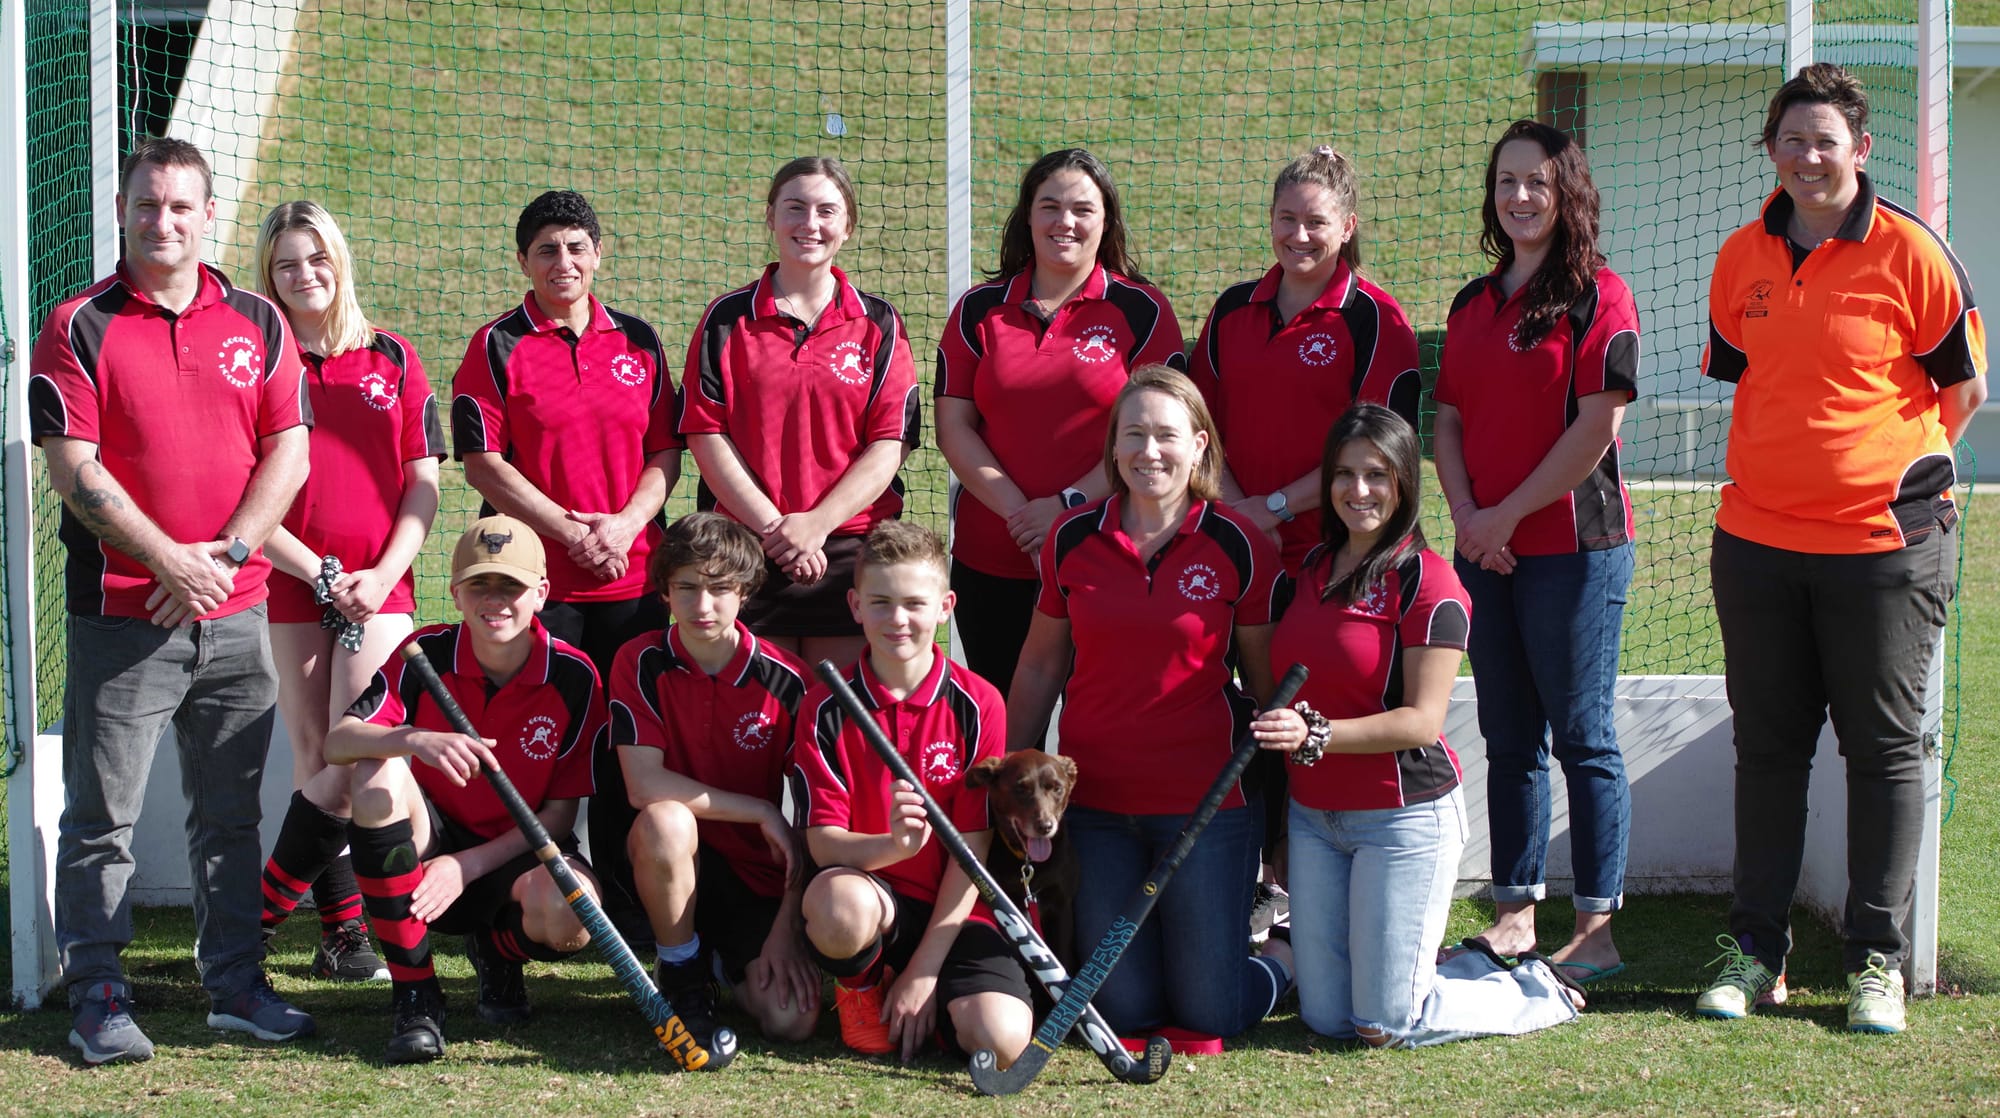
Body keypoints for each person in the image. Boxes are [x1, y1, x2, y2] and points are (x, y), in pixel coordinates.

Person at [1696, 63, 1987, 1035]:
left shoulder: (1911, 252)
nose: (1807, 157)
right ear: (1770, 150)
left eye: (1824, 140)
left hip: (1883, 550)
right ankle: (1754, 952)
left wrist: (1891, 478)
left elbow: (1962, 390)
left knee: (1883, 750)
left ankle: (1875, 960)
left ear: (1859, 149)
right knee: (1768, 750)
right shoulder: (1740, 254)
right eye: (1791, 139)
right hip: (1755, 545)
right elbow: (1748, 376)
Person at [30, 137, 316, 1065]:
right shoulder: (77, 325)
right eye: (148, 205)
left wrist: (222, 559)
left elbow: (289, 451)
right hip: (124, 617)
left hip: (236, 613)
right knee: (100, 820)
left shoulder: (259, 322)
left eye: (182, 206)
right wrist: (167, 563)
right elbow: (75, 469)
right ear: (121, 210)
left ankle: (235, 984)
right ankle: (98, 994)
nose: (164, 221)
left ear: (208, 214)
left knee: (230, 816)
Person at [1255, 403, 1582, 1047]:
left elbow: (1422, 722)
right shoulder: (1313, 568)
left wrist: (1315, 735)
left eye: (1376, 474)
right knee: (1327, 1019)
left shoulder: (1430, 581)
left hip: (1403, 819)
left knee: (1382, 1023)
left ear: (1405, 480)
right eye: (1344, 474)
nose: (1358, 490)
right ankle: (1460, 966)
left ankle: (1534, 989)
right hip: (1315, 818)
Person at [1007, 365, 1292, 1039]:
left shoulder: (1240, 544)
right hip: (1097, 810)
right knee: (1122, 1012)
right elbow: (1040, 664)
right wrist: (1007, 781)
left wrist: (1281, 824)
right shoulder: (1071, 538)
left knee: (1209, 1013)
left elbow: (1266, 690)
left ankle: (1283, 957)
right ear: (1112, 446)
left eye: (1167, 434)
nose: (1149, 451)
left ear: (1199, 445)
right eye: (1133, 434)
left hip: (1207, 810)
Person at [1432, 119, 1640, 985]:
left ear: (1568, 193)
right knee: (1508, 735)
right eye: (1506, 181)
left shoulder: (1602, 294)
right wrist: (1470, 520)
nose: (1520, 196)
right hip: (1486, 551)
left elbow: (1597, 428)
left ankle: (1596, 931)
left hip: (1572, 551)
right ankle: (1514, 918)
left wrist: (1505, 518)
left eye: (1537, 183)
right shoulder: (1471, 304)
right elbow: (1447, 420)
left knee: (1582, 737)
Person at [452, 188, 681, 951]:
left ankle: (622, 900)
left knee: (625, 750)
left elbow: (666, 452)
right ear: (524, 261)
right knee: (541, 751)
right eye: (546, 249)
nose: (563, 261)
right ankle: (518, 903)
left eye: (576, 247)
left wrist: (625, 524)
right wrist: (568, 530)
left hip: (635, 581)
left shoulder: (640, 341)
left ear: (598, 254)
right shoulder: (497, 345)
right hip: (537, 590)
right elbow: (482, 461)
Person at [327, 516, 607, 1064]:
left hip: (519, 852)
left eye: (511, 586)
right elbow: (339, 742)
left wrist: (467, 866)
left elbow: (558, 816)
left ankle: (498, 953)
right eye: (480, 584)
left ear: (541, 594)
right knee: (373, 773)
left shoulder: (575, 675)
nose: (494, 600)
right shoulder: (423, 652)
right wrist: (413, 739)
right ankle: (416, 994)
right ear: (456, 593)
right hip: (430, 845)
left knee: (573, 912)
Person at [249, 200, 444, 983]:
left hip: (379, 591)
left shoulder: (392, 356)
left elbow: (423, 482)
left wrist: (383, 575)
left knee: (355, 758)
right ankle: (341, 935)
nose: (304, 275)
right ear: (269, 276)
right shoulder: (260, 360)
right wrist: (320, 574)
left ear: (339, 260)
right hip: (293, 583)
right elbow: (247, 497)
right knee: (312, 762)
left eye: (316, 258)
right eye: (286, 264)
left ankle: (252, 924)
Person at [935, 148, 1185, 696]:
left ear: (1106, 221)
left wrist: (1067, 508)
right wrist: (1023, 516)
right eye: (1049, 206)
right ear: (1027, 215)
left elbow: (1161, 437)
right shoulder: (980, 308)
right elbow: (953, 427)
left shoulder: (1142, 310)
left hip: (1109, 554)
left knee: (1099, 724)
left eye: (1082, 209)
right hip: (992, 559)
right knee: (1003, 729)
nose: (1064, 221)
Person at [791, 522, 1028, 1064]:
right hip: (873, 900)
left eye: (915, 604)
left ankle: (926, 1001)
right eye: (881, 602)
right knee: (837, 905)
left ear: (945, 607)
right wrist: (893, 847)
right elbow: (823, 846)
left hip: (958, 908)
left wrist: (925, 969)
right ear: (855, 606)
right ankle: (862, 987)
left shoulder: (979, 702)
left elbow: (972, 851)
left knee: (1002, 1041)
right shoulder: (825, 705)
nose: (898, 619)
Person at [680, 156, 921, 669]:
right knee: (758, 707)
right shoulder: (726, 318)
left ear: (847, 226)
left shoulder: (878, 322)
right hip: (746, 545)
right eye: (795, 208)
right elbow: (705, 432)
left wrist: (816, 525)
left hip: (850, 548)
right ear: (771, 217)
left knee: (839, 704)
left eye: (826, 211)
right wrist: (778, 530)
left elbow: (890, 441)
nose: (810, 223)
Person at [609, 512, 818, 1049]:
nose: (703, 606)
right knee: (667, 820)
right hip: (670, 858)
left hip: (756, 874)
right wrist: (760, 809)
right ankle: (682, 974)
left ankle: (720, 963)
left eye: (720, 588)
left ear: (745, 592)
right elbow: (643, 786)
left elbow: (813, 818)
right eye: (687, 588)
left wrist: (788, 928)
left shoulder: (789, 679)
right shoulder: (638, 660)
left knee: (790, 1021)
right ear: (664, 591)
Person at [1190, 145, 1422, 575]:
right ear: (1271, 218)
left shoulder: (1375, 319)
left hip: (1339, 555)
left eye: (1316, 222)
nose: (1299, 236)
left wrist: (1274, 508)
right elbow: (1196, 427)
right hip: (1237, 541)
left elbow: (1382, 449)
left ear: (1347, 227)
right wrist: (1242, 513)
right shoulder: (1232, 309)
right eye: (1287, 219)